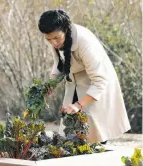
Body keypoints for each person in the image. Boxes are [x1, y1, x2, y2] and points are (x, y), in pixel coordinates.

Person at [38, 9, 131, 143]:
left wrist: (78, 105)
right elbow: (59, 63)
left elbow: (100, 80)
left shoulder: (84, 41)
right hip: (75, 83)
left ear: (65, 29)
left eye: (56, 38)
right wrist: (50, 84)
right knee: (69, 135)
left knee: (95, 135)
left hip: (96, 85)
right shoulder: (56, 40)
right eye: (48, 39)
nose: (53, 43)